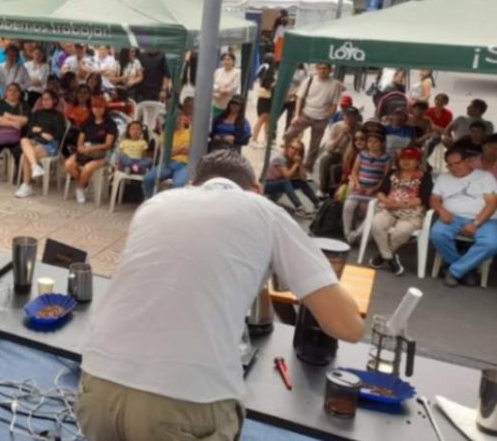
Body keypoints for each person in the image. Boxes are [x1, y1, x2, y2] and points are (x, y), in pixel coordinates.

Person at [78, 150, 364, 441]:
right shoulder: (264, 210)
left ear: (193, 184)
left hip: (97, 386)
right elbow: (348, 326)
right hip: (187, 401)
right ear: (256, 190)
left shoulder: (155, 204)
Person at [430, 146, 497, 288]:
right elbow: (434, 199)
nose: (453, 168)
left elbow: (492, 204)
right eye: (450, 165)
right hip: (453, 217)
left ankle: (454, 271)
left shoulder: (485, 177)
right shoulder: (443, 177)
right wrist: (441, 210)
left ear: (468, 161)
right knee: (437, 234)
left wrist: (476, 223)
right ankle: (466, 270)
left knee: (492, 243)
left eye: (457, 163)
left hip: (484, 219)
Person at [369, 147, 432, 277]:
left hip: (411, 212)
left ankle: (383, 256)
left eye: (410, 159)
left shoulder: (424, 176)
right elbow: (380, 191)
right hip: (389, 209)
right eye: (403, 158)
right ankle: (390, 258)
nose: (406, 161)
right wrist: (387, 201)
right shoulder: (392, 173)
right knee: (377, 223)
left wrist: (401, 205)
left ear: (417, 161)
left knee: (402, 231)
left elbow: (423, 198)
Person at [283, 63, 345, 171]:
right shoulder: (309, 80)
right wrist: (297, 115)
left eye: (325, 68)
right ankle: (288, 157)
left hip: (321, 118)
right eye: (320, 68)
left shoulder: (334, 84)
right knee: (289, 134)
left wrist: (327, 115)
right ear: (316, 69)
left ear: (330, 70)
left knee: (314, 145)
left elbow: (334, 104)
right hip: (306, 114)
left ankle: (308, 167)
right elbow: (299, 98)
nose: (322, 71)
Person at [343, 123, 391, 243]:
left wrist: (374, 188)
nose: (372, 144)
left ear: (382, 143)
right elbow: (354, 172)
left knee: (373, 211)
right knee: (348, 205)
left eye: (375, 142)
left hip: (373, 191)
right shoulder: (362, 155)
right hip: (359, 188)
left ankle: (356, 234)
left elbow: (384, 178)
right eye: (369, 142)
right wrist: (358, 185)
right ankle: (347, 232)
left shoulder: (385, 158)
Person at [14, 89, 66, 198]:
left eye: (48, 99)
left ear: (54, 100)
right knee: (23, 140)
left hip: (50, 145)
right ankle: (35, 166)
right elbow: (30, 130)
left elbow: (56, 135)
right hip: (35, 141)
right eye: (43, 100)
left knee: (25, 156)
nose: (45, 102)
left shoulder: (58, 116)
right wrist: (41, 133)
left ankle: (27, 185)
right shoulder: (37, 113)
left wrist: (40, 131)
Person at [65, 96, 117, 204]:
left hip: (101, 153)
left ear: (104, 108)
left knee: (87, 168)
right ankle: (84, 182)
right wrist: (80, 147)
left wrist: (91, 148)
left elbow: (108, 144)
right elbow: (81, 138)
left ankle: (79, 188)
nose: (97, 110)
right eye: (95, 107)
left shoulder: (110, 124)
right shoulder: (88, 121)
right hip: (85, 151)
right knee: (68, 164)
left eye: (100, 107)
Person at [0, 83, 29, 186]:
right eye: (10, 90)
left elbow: (25, 120)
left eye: (16, 90)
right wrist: (13, 123)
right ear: (6, 92)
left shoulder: (24, 105)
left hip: (16, 135)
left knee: (19, 151)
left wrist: (8, 116)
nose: (13, 93)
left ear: (19, 93)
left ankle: (18, 176)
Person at [264, 140, 318, 217]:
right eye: (292, 148)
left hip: (278, 185)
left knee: (300, 182)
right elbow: (287, 176)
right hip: (267, 184)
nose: (293, 151)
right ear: (288, 148)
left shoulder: (292, 161)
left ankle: (317, 203)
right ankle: (299, 208)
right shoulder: (279, 158)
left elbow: (303, 178)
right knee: (286, 182)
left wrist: (300, 164)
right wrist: (296, 164)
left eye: (297, 150)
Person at [142, 115, 190, 199]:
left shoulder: (190, 133)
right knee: (148, 179)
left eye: (178, 119)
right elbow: (166, 153)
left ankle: (173, 208)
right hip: (167, 163)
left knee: (179, 184)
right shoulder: (165, 134)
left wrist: (174, 150)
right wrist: (182, 148)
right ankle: (151, 202)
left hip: (184, 165)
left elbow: (191, 151)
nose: (176, 122)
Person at [318, 106, 361, 196]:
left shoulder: (360, 129)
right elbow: (328, 147)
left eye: (352, 117)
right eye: (347, 116)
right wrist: (341, 135)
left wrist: (351, 136)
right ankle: (322, 188)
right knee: (325, 159)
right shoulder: (336, 126)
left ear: (356, 118)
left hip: (353, 156)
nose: (349, 119)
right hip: (337, 154)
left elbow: (360, 147)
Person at [211, 52, 240, 117]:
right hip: (215, 102)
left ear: (233, 61)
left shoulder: (237, 72)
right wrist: (219, 89)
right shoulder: (218, 71)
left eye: (228, 59)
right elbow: (212, 84)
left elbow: (234, 87)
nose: (226, 62)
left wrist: (226, 91)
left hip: (229, 104)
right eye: (223, 60)